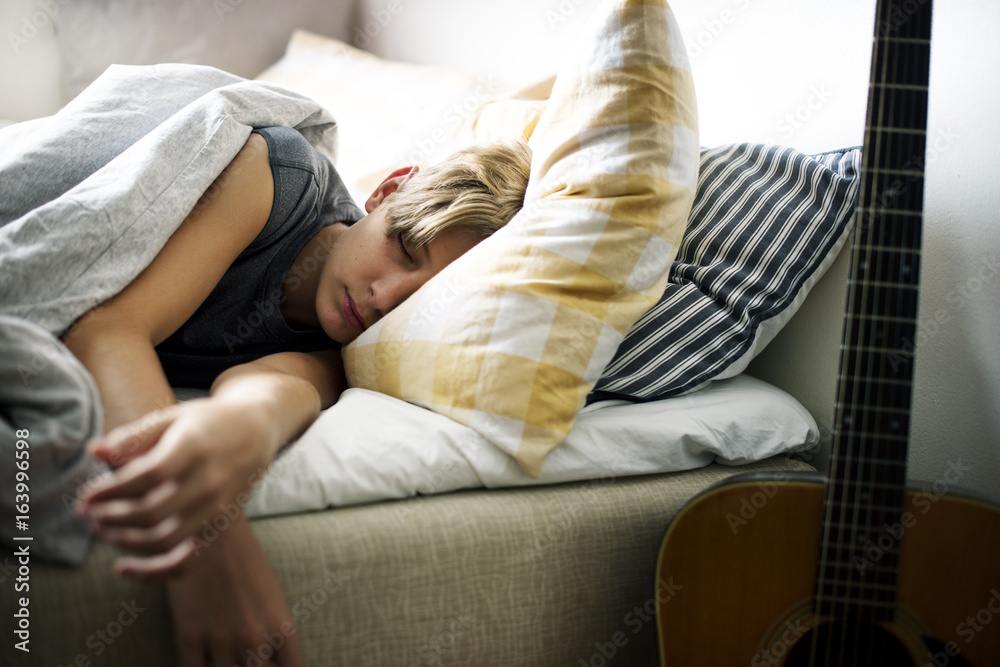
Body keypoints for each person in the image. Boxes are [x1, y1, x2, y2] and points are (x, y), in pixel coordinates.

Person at [64, 126, 532, 667]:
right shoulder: (273, 181)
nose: (385, 299)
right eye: (404, 249)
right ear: (389, 191)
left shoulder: (357, 348)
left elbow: (274, 388)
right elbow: (102, 327)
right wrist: (209, 540)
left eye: (423, 300)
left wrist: (242, 426)